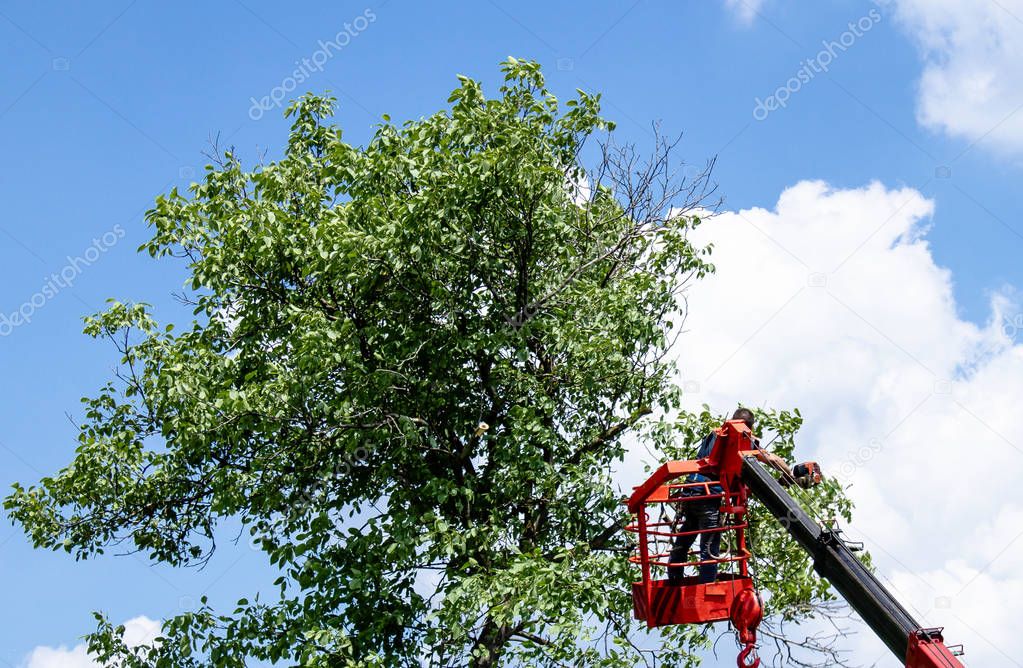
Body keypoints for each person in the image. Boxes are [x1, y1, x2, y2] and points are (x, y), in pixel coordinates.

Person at [667, 408, 793, 584]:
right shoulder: (740, 438)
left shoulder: (715, 434)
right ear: (749, 427)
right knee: (709, 550)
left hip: (690, 493)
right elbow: (769, 458)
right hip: (708, 496)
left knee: (686, 535)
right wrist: (789, 474)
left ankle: (673, 582)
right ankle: (708, 590)